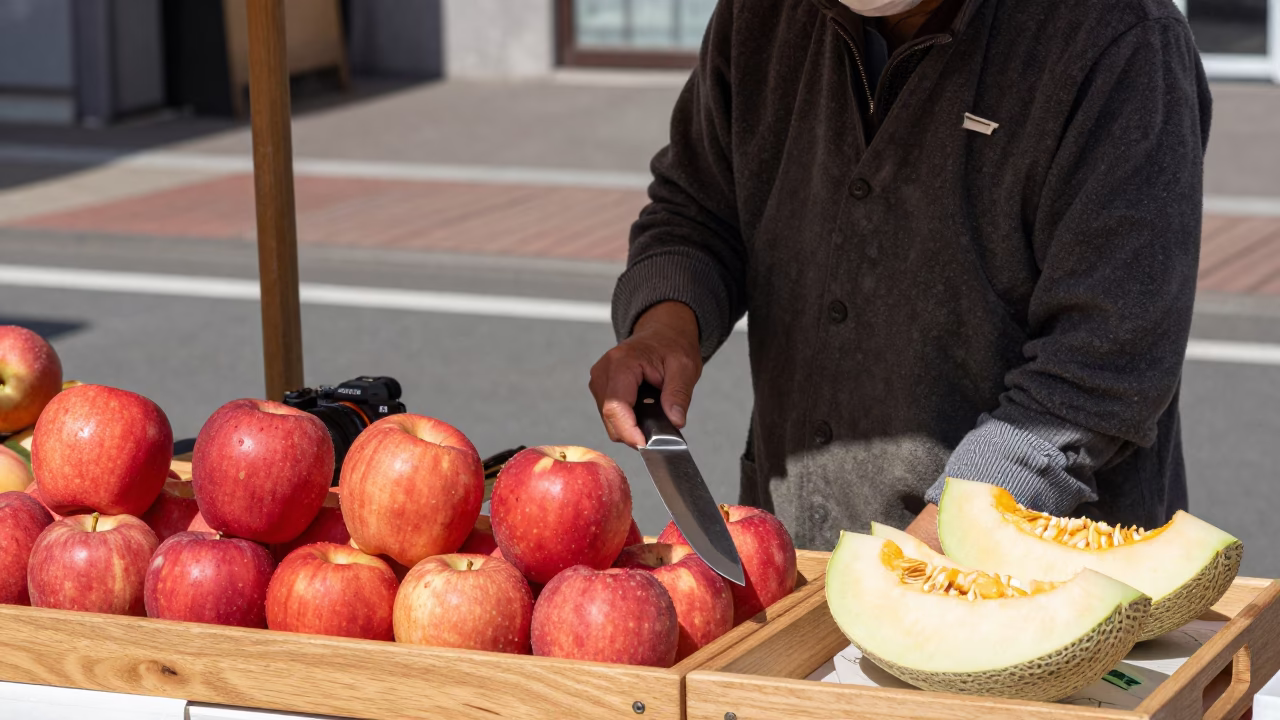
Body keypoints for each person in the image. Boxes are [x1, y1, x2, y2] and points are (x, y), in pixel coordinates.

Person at [588, 0, 1210, 553]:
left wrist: (930, 549)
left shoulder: (1122, 42)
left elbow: (1099, 369)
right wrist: (666, 327)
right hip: (798, 545)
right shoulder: (761, 17)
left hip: (1035, 582)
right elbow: (697, 209)